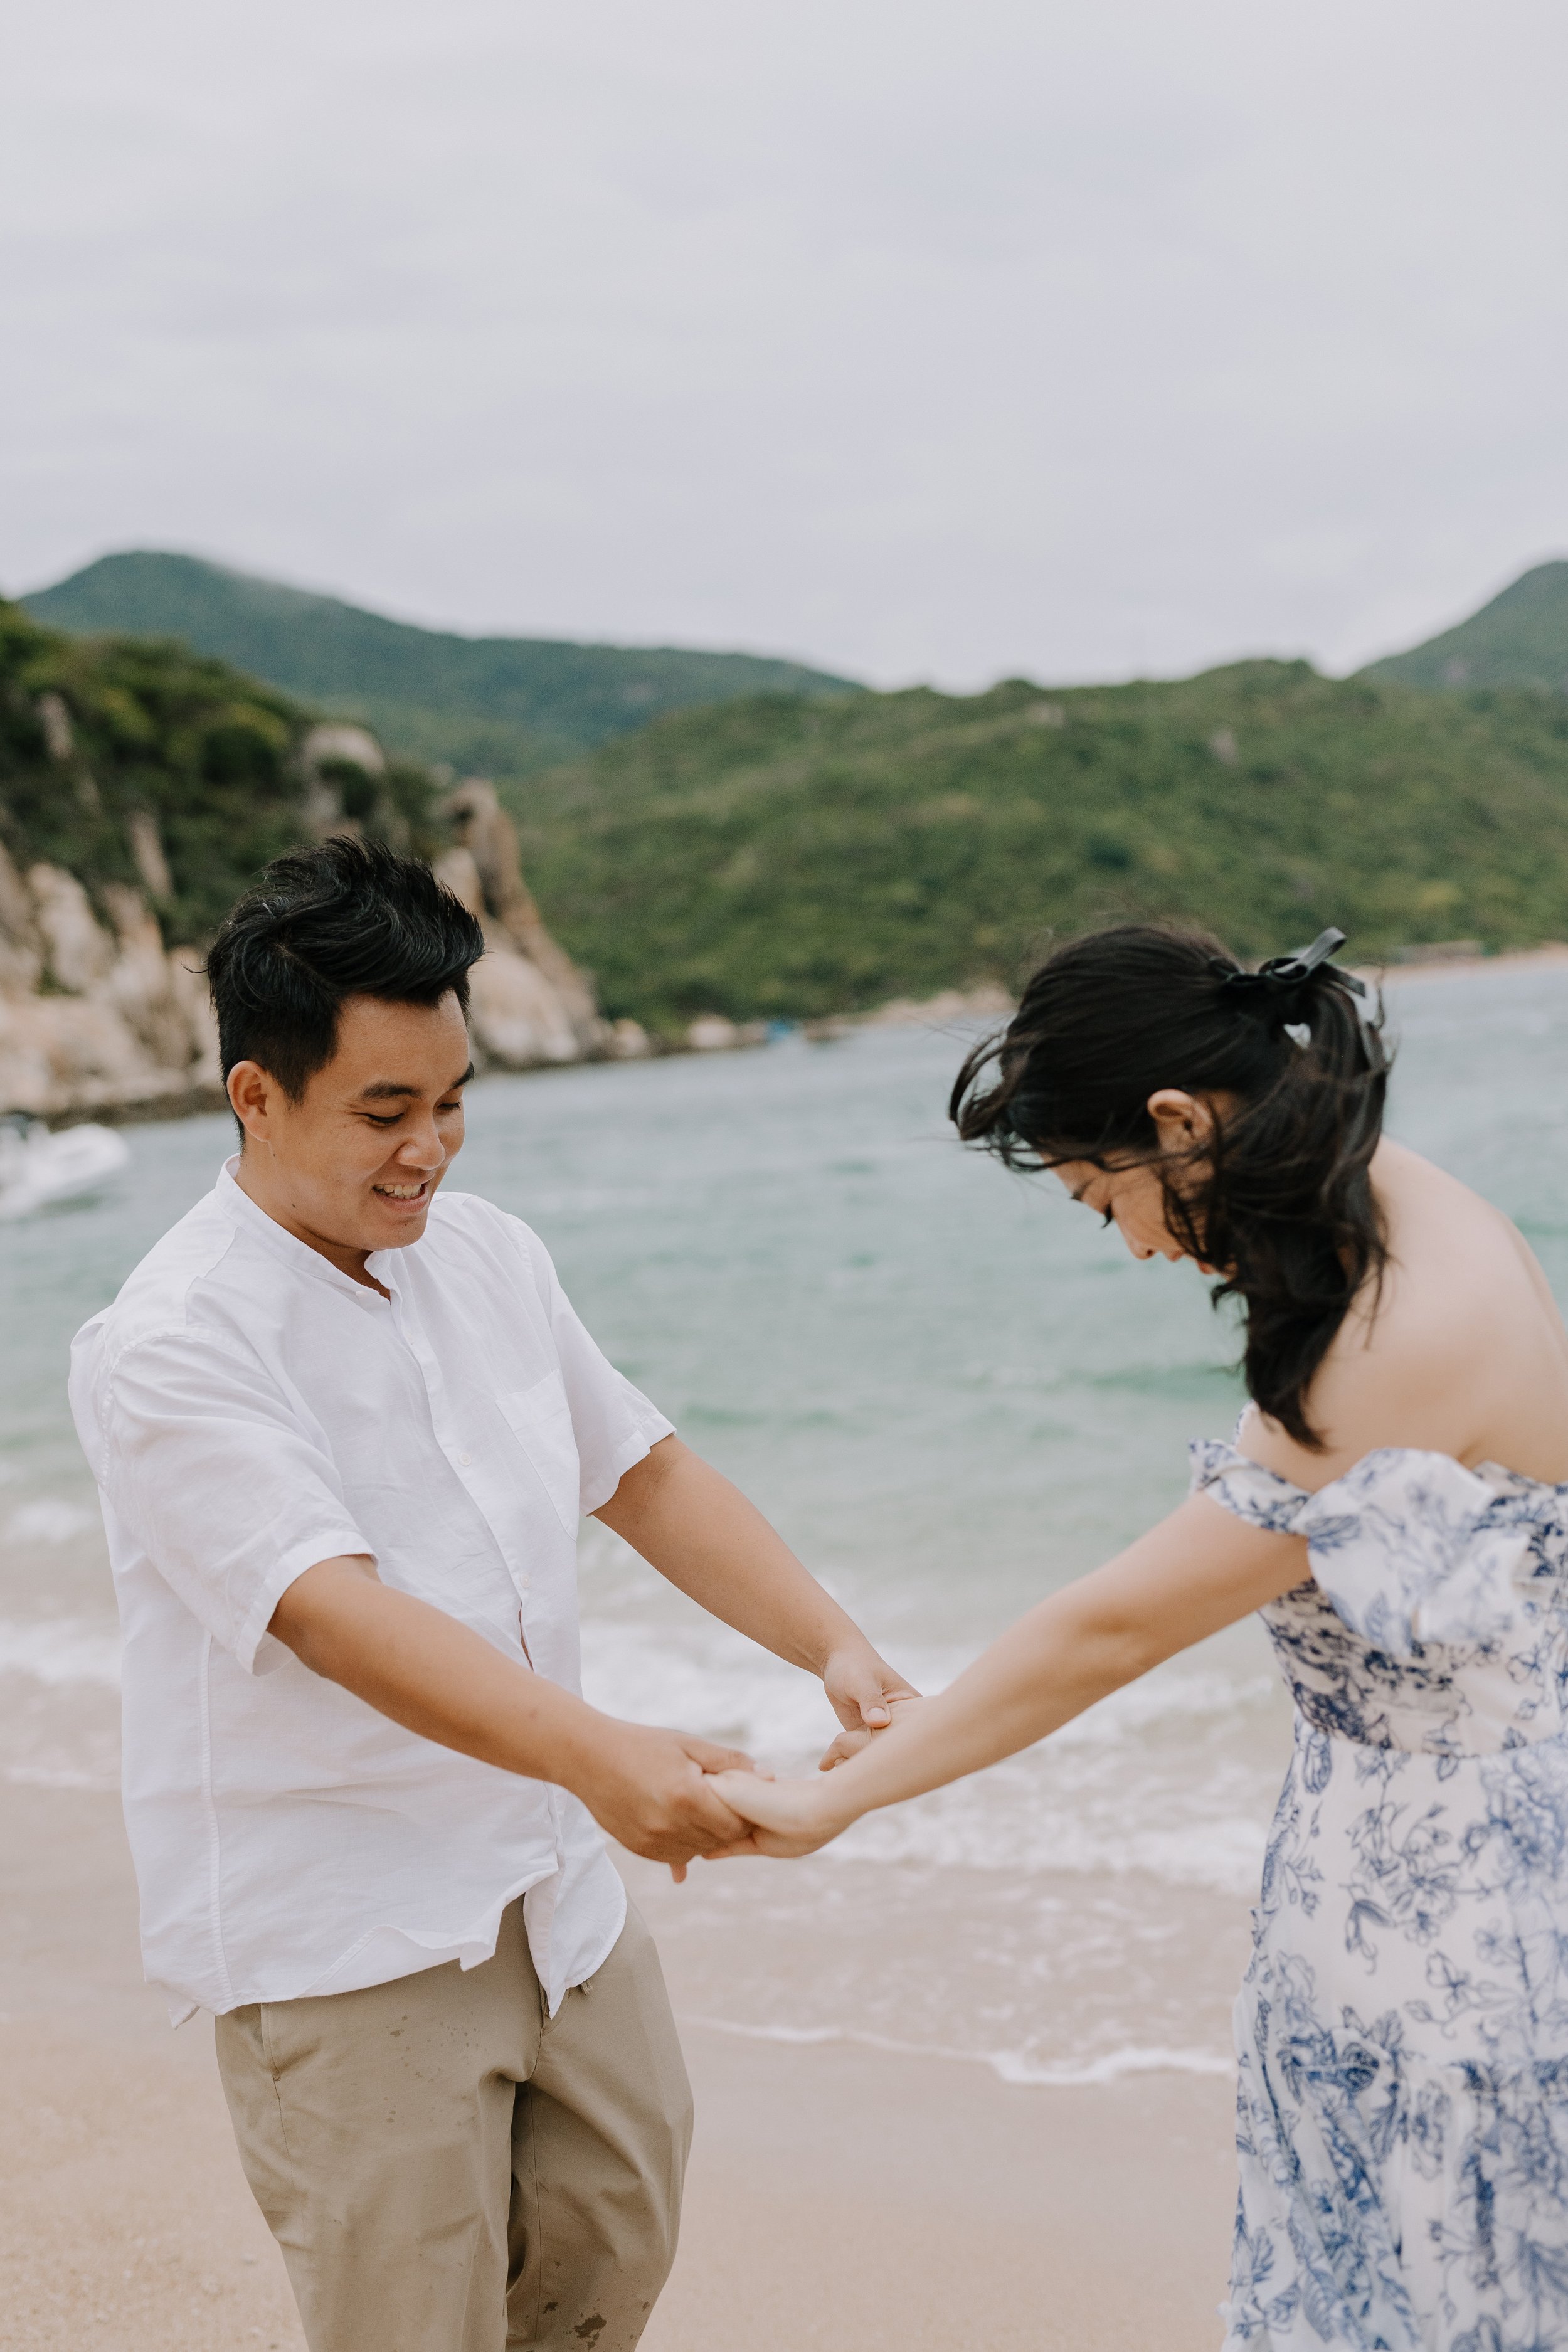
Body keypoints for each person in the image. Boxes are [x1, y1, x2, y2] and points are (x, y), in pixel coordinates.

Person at [68, 835, 912, 2352]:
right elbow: (332, 1614)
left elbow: (639, 1471)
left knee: (613, 2253)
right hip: (349, 1930)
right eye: (384, 1112)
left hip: (553, 1891)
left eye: (453, 1102)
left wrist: (831, 1646)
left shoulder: (488, 1255)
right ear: (256, 1096)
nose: (430, 1150)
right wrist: (607, 1761)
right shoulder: (172, 1342)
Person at [710, 922, 1568, 2351]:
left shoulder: (1393, 1335)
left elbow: (1113, 1630)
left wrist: (834, 1802)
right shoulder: (1392, 1208)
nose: (1133, 1242)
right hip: (1414, 1891)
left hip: (1463, 1950)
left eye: (1101, 1196)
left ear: (1178, 1122)